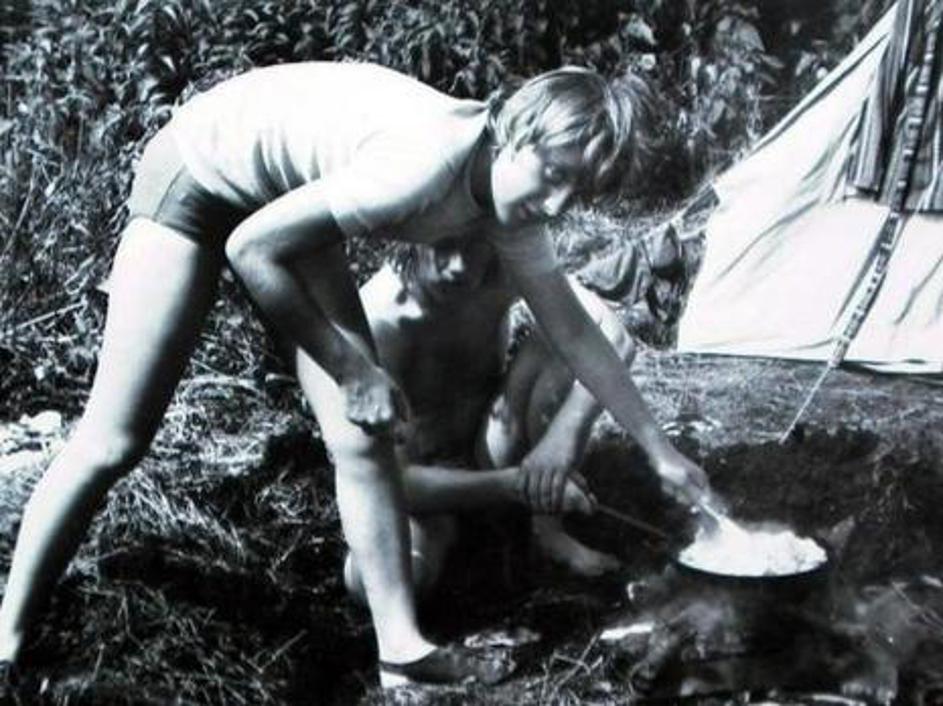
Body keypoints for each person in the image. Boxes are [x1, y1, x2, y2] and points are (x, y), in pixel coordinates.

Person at [0, 61, 713, 689]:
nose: (556, 205)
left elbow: (577, 332)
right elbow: (252, 249)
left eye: (576, 192)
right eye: (553, 175)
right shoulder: (423, 165)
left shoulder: (510, 209)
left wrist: (660, 451)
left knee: (360, 434)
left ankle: (401, 652)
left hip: (291, 203)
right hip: (202, 180)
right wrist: (352, 370)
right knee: (115, 440)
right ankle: (7, 639)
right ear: (515, 132)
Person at [307, 235, 631, 602]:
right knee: (378, 580)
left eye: (474, 245)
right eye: (443, 246)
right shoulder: (378, 321)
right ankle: (463, 544)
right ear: (409, 236)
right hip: (428, 489)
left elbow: (615, 336)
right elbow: (392, 482)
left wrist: (562, 439)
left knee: (562, 338)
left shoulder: (499, 274)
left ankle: (548, 530)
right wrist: (513, 485)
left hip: (494, 446)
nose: (459, 266)